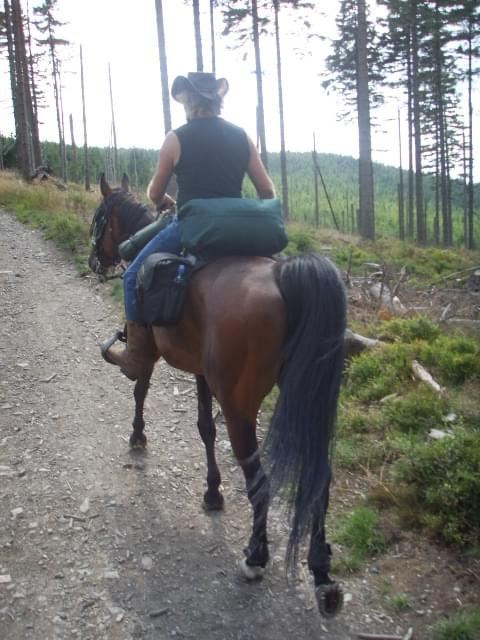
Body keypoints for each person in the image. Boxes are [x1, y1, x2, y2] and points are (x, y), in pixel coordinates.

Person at [101, 71, 276, 380]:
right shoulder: (242, 136)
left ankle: (136, 355)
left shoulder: (176, 138)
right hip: (237, 226)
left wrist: (166, 201)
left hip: (191, 224)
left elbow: (154, 193)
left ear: (189, 102)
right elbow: (267, 192)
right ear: (218, 102)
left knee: (130, 277)